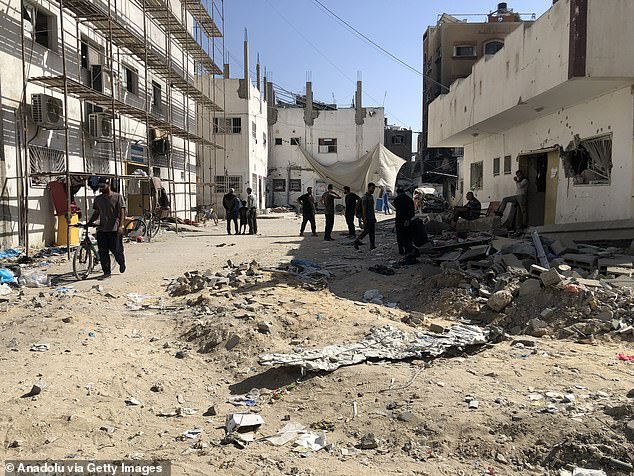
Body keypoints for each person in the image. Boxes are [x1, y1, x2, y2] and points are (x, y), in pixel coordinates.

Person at [87, 178, 126, 279]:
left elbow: (122, 212)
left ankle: (121, 262)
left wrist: (120, 226)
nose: (101, 189)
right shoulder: (98, 199)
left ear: (108, 185)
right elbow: (96, 213)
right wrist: (89, 223)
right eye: (100, 187)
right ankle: (106, 271)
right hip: (102, 229)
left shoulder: (118, 197)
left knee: (116, 250)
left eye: (103, 187)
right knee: (102, 252)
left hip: (114, 229)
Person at [354, 182, 377, 251]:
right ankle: (357, 241)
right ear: (368, 188)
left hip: (371, 217)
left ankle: (372, 245)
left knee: (372, 232)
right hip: (367, 217)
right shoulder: (365, 198)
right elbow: (364, 209)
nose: (373, 190)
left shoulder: (371, 197)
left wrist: (374, 217)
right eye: (372, 188)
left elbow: (372, 208)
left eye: (374, 189)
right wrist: (364, 218)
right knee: (366, 231)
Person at [393, 187, 415, 255]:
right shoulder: (409, 199)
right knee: (407, 236)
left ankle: (401, 250)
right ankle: (407, 250)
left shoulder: (396, 199)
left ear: (398, 193)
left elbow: (396, 208)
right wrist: (408, 219)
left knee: (400, 236)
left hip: (399, 220)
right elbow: (412, 212)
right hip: (407, 221)